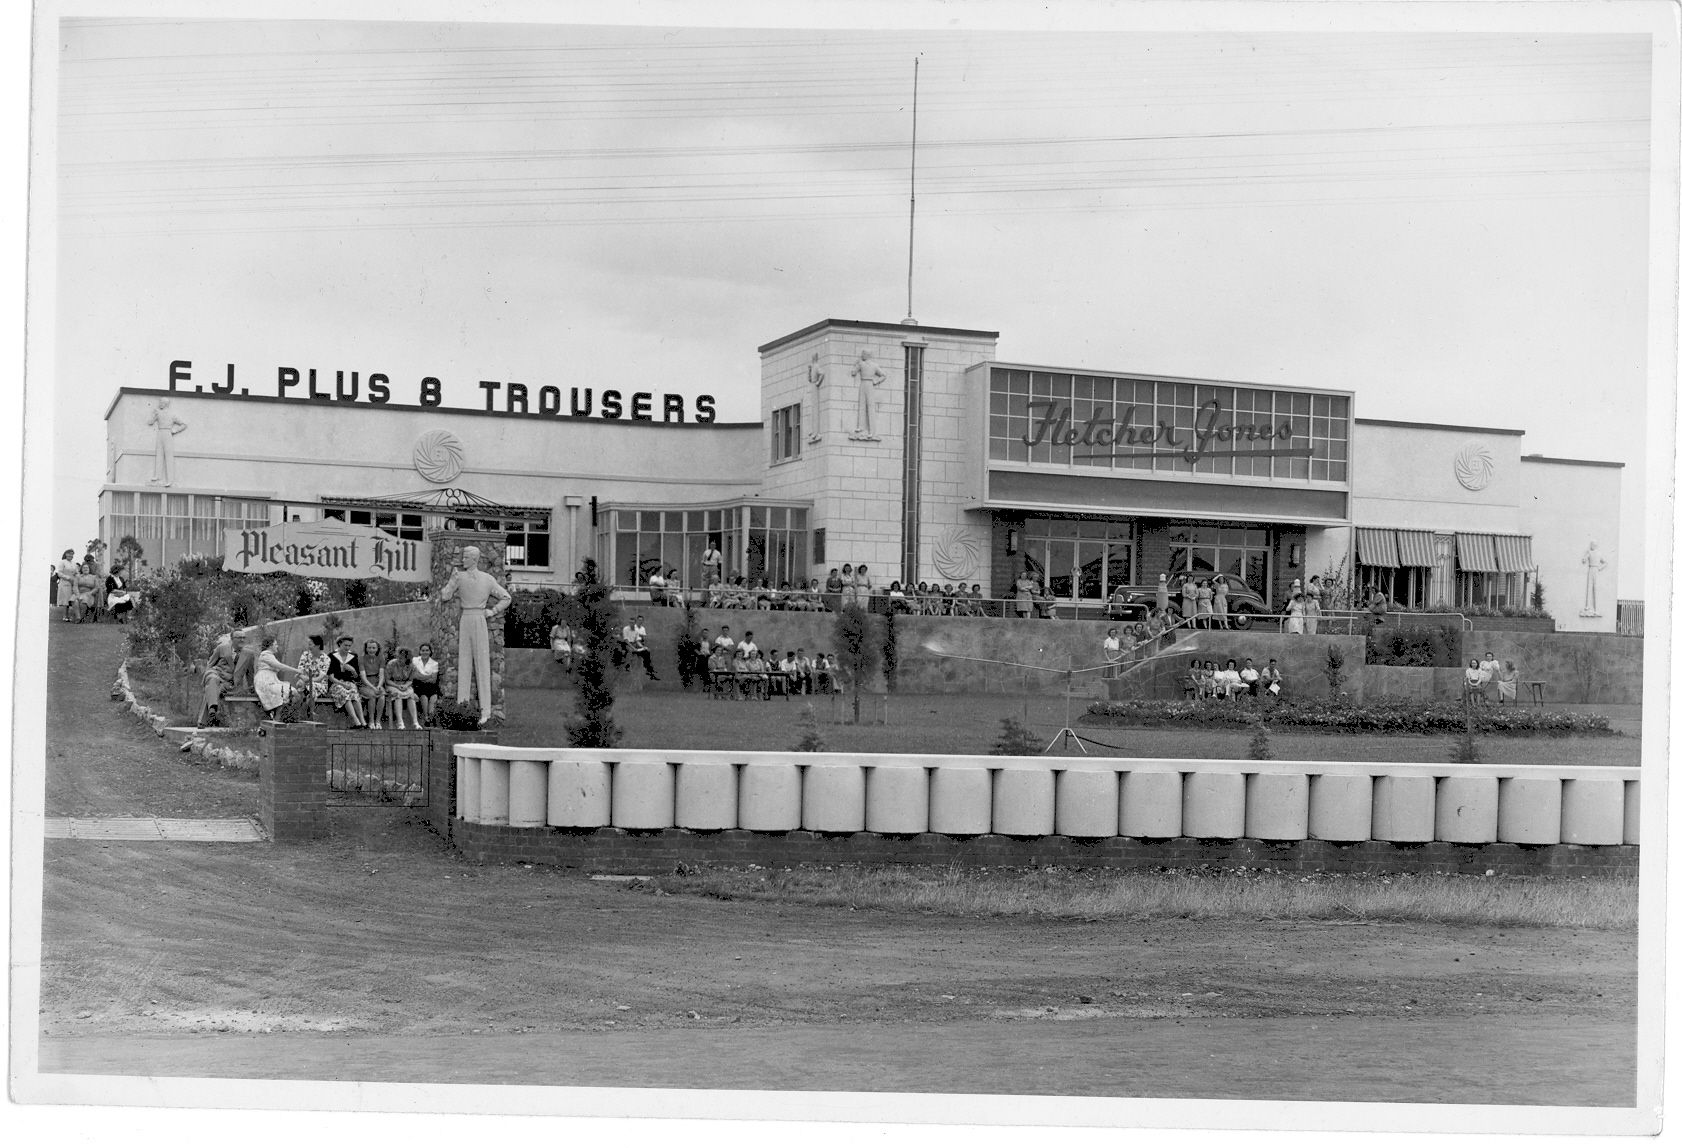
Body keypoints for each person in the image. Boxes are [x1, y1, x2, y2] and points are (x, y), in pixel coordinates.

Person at [440, 543, 512, 726]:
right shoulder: (459, 577)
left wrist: (492, 611)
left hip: (480, 618)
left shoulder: (487, 579)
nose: (462, 560)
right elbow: (445, 596)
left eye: (466, 557)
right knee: (464, 663)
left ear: (474, 559)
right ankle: (462, 707)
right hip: (465, 618)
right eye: (462, 556)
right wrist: (451, 582)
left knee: (482, 663)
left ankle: (486, 712)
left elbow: (506, 597)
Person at [198, 630, 252, 727]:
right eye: (239, 637)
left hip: (229, 683)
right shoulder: (221, 648)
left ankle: (209, 714)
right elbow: (210, 664)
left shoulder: (249, 654)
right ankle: (212, 709)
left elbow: (250, 673)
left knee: (210, 690)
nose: (242, 640)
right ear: (232, 639)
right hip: (216, 674)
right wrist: (206, 679)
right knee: (212, 679)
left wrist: (252, 689)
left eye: (244, 637)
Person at [252, 635, 299, 721]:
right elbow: (279, 666)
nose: (277, 646)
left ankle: (278, 717)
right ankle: (276, 718)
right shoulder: (265, 654)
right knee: (288, 692)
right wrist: (296, 670)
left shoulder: (271, 655)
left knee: (292, 693)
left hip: (272, 680)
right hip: (265, 681)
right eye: (275, 644)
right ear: (270, 645)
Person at [326, 636, 368, 728]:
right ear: (340, 644)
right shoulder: (331, 656)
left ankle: (363, 721)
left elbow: (356, 677)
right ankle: (356, 721)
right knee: (343, 692)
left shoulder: (353, 656)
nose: (347, 648)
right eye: (345, 645)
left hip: (349, 682)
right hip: (335, 683)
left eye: (349, 645)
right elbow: (331, 677)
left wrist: (352, 670)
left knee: (354, 692)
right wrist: (342, 684)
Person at [384, 646, 420, 730]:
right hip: (392, 684)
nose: (399, 659)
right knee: (398, 695)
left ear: (407, 659)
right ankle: (400, 722)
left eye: (401, 658)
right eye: (398, 657)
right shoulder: (391, 664)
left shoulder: (412, 666)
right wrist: (397, 686)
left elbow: (410, 680)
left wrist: (406, 686)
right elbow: (387, 680)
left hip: (405, 685)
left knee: (411, 695)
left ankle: (415, 722)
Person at [295, 635, 330, 708]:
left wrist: (308, 680)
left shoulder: (326, 659)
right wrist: (303, 678)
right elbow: (300, 671)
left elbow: (320, 678)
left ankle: (308, 710)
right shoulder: (305, 655)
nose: (308, 647)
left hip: (320, 684)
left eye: (310, 644)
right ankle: (302, 709)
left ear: (318, 646)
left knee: (311, 687)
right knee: (300, 685)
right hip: (304, 682)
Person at [359, 639, 387, 729]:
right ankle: (371, 721)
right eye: (369, 648)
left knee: (382, 695)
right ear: (366, 648)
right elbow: (363, 677)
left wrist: (379, 686)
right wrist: (372, 687)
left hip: (377, 682)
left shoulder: (381, 658)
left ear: (377, 648)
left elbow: (381, 674)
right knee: (372, 695)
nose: (371, 650)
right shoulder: (361, 659)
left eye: (374, 648)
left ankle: (378, 721)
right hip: (365, 684)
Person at [411, 642, 440, 726]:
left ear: (430, 652)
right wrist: (428, 676)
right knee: (424, 697)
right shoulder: (415, 660)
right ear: (420, 651)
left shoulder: (434, 663)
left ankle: (430, 718)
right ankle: (426, 717)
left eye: (427, 650)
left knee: (433, 697)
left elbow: (433, 680)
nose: (425, 652)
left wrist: (421, 676)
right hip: (418, 685)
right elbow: (415, 675)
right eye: (423, 650)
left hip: (431, 686)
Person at [621, 615, 658, 680]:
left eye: (632, 622)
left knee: (646, 652)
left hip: (635, 644)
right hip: (627, 644)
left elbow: (637, 641)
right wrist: (633, 648)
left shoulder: (636, 631)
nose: (631, 624)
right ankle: (627, 666)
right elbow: (626, 640)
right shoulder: (625, 629)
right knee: (630, 652)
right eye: (630, 622)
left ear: (634, 623)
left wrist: (643, 647)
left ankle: (648, 669)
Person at [55, 549, 79, 622]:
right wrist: (68, 578)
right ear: (66, 554)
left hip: (72, 584)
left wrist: (77, 576)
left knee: (71, 600)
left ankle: (70, 616)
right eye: (69, 554)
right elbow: (59, 573)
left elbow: (76, 572)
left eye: (72, 554)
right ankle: (65, 616)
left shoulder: (74, 563)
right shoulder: (62, 562)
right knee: (65, 600)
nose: (70, 556)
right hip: (65, 583)